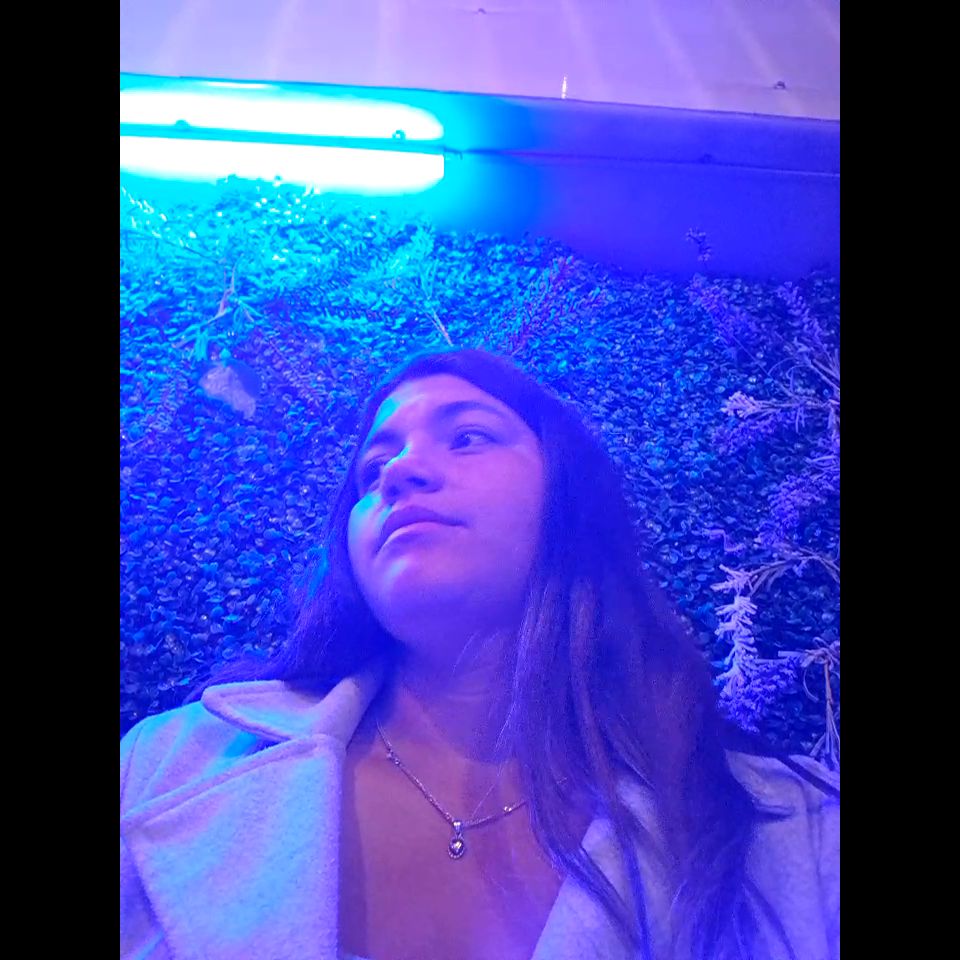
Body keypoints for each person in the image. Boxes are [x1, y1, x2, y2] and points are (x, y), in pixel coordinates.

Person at [120, 346, 839, 960]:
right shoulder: (161, 765)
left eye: (467, 437)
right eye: (374, 468)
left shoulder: (803, 831)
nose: (399, 472)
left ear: (568, 498)